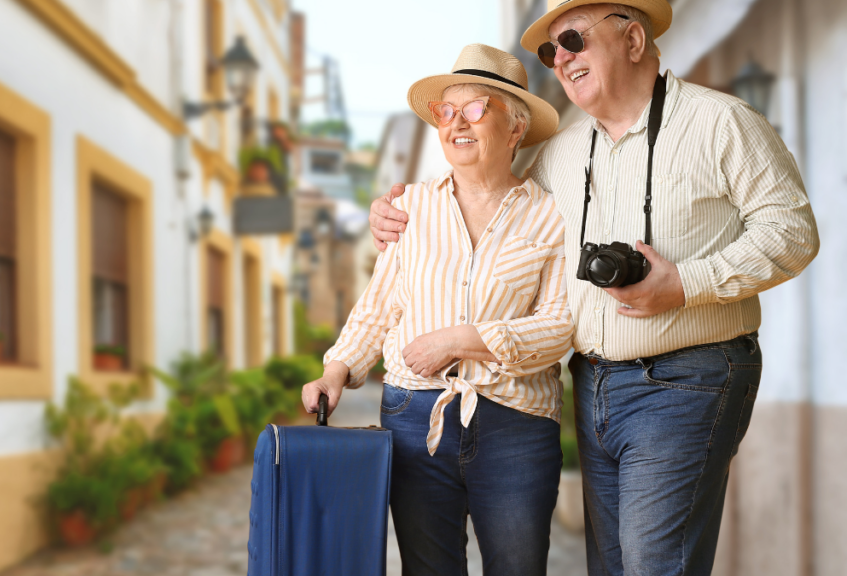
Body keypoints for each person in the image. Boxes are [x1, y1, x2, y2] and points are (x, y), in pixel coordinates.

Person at [367, 1, 820, 575]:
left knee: (654, 565)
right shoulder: (562, 152)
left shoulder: (723, 122)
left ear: (633, 40)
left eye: (574, 40)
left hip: (688, 378)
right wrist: (395, 216)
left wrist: (683, 284)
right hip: (593, 384)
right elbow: (490, 209)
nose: (562, 59)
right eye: (551, 51)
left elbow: (793, 232)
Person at [301, 45, 572, 575]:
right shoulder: (409, 207)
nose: (455, 124)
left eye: (475, 109)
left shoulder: (551, 216)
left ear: (515, 128)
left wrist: (460, 340)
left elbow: (560, 326)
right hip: (413, 417)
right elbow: (378, 307)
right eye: (446, 112)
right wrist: (337, 370)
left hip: (516, 422)